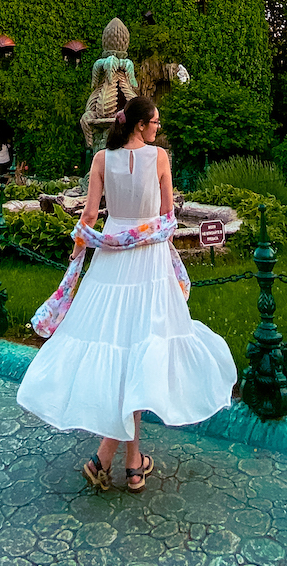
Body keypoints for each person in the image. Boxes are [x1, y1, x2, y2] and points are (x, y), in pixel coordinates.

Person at [16, 96, 236, 492]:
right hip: (149, 261)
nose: (158, 128)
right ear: (139, 125)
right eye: (154, 122)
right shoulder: (161, 158)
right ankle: (127, 463)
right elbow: (168, 218)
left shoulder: (101, 160)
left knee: (123, 350)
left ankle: (116, 459)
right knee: (137, 351)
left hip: (112, 260)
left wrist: (79, 248)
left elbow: (88, 215)